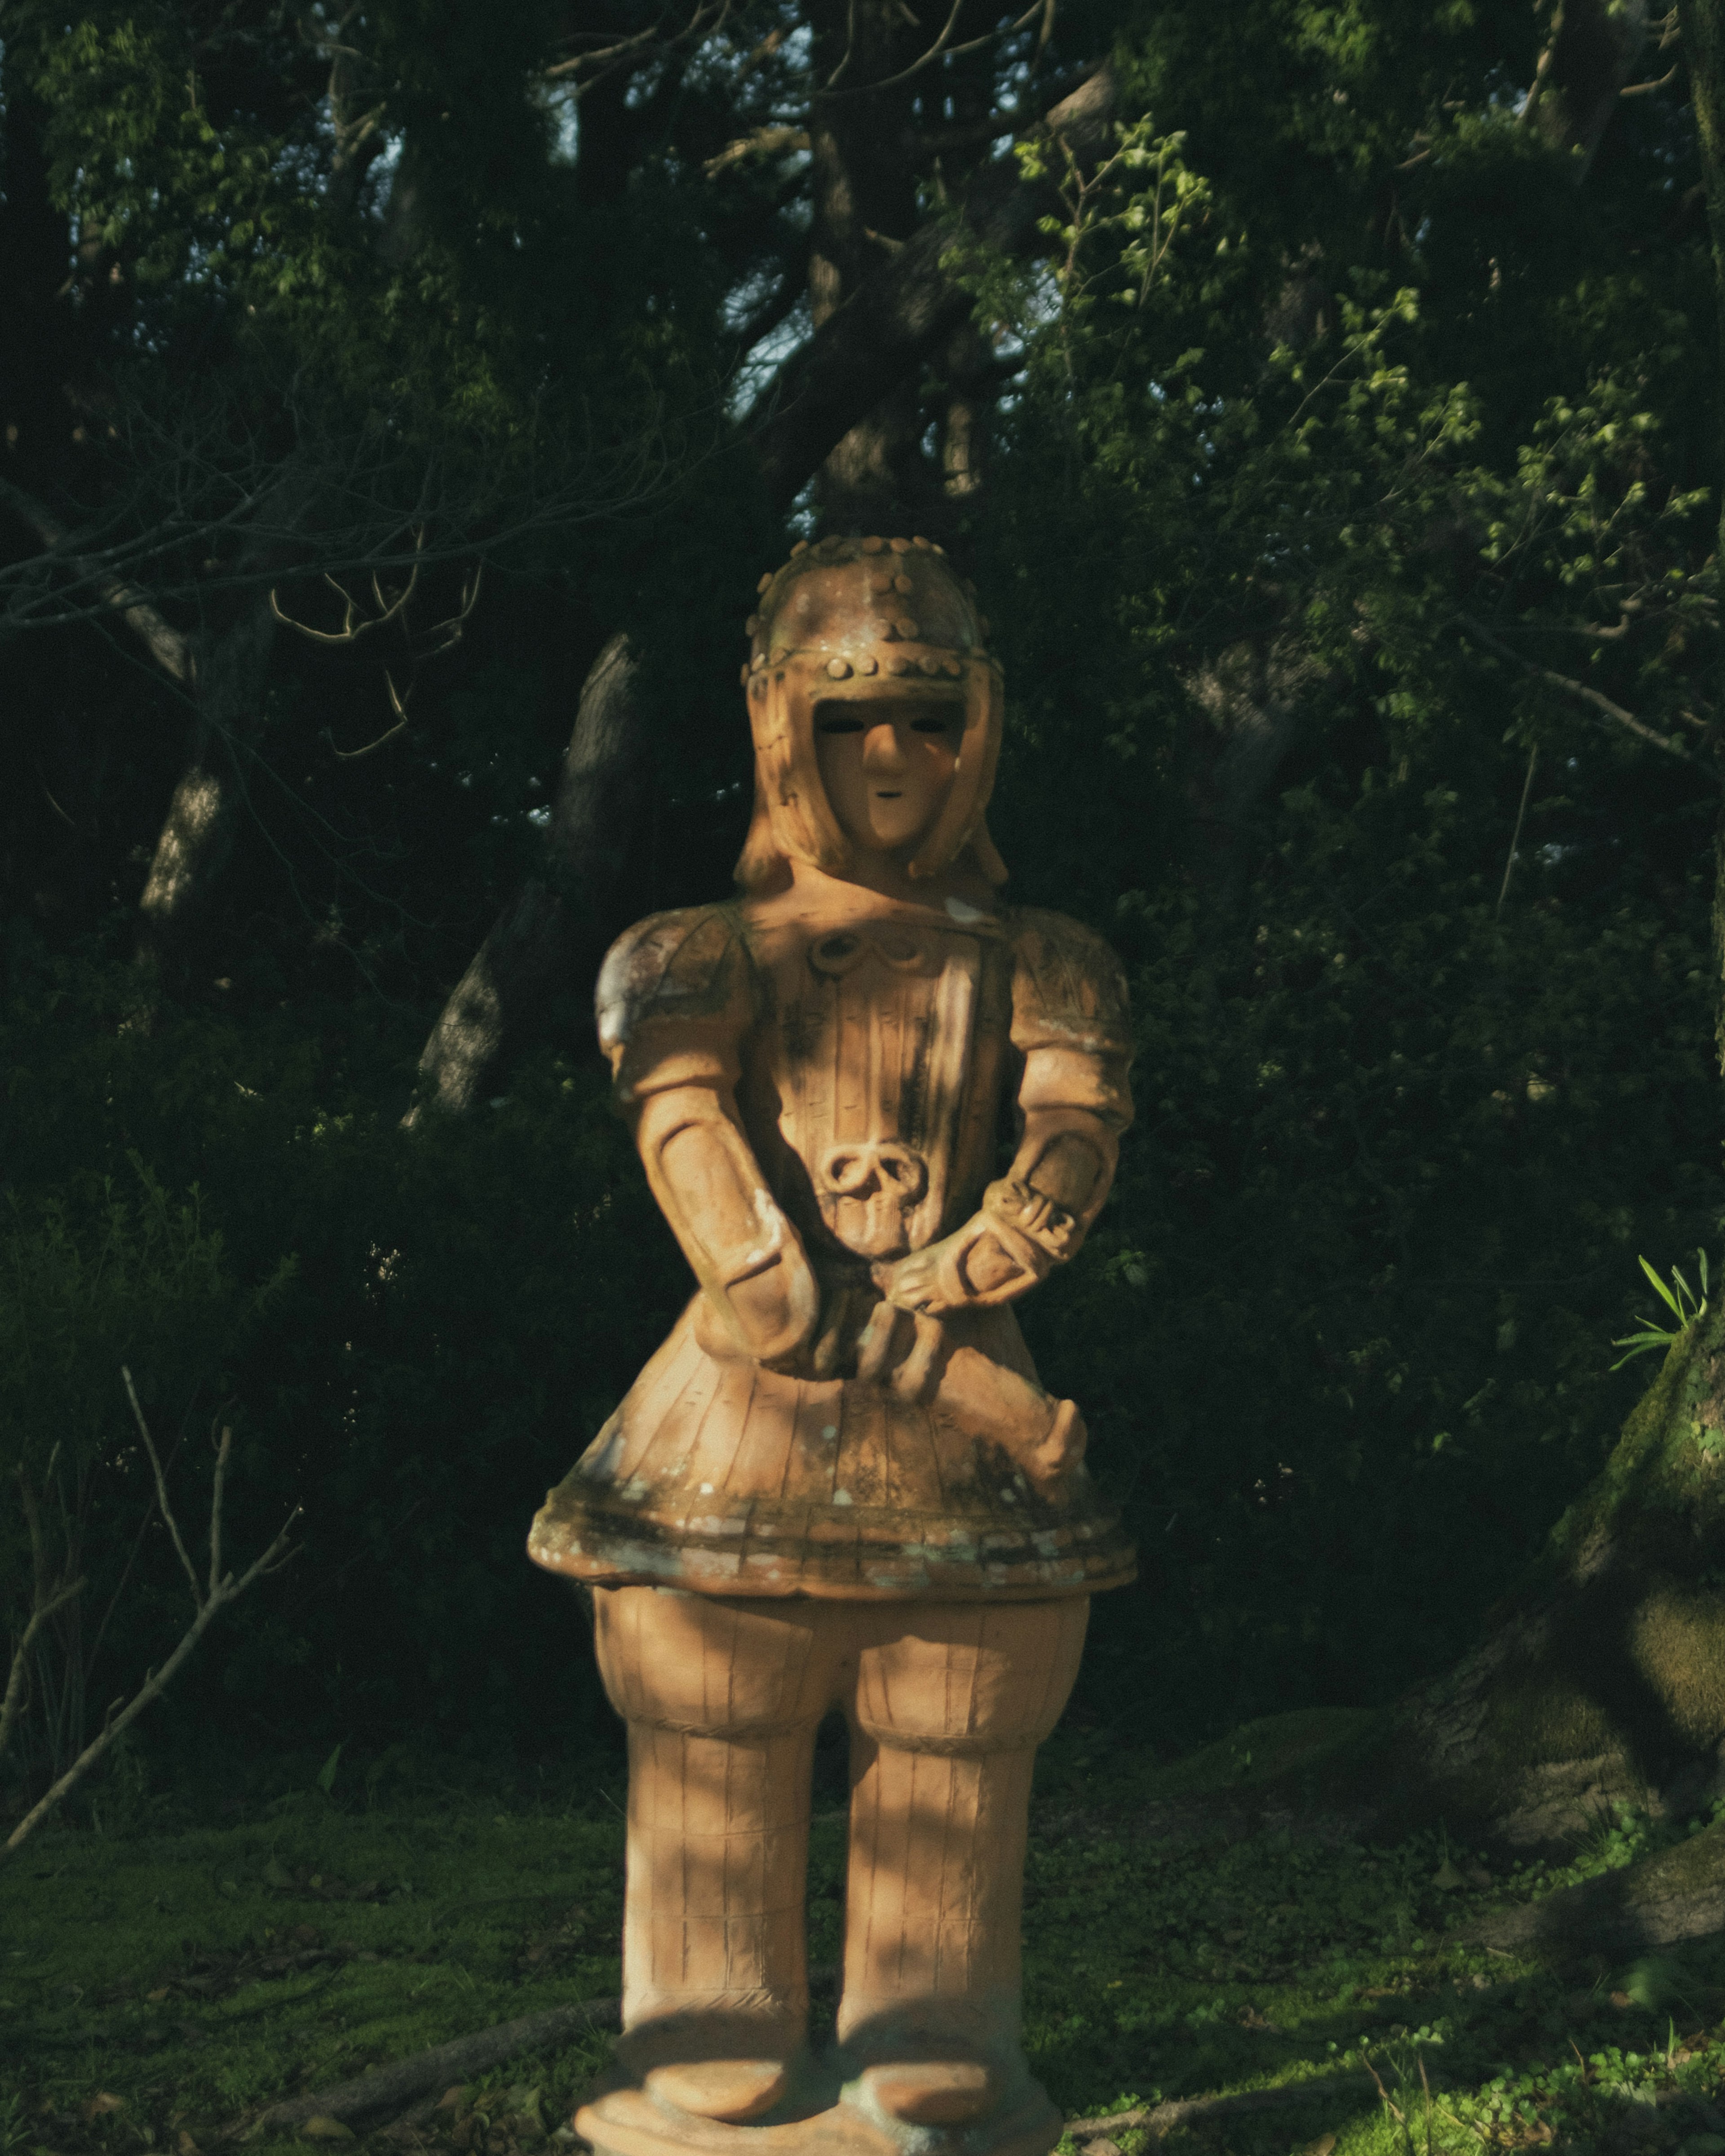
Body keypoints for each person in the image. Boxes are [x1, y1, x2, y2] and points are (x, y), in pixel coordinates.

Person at [529, 533, 1136, 2156]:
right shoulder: (692, 953)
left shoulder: (1048, 959)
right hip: (735, 1412)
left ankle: (932, 2052)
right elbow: (682, 1128)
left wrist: (1008, 1234)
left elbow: (1077, 1126)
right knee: (717, 1711)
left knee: (957, 1719)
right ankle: (708, 2062)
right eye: (853, 718)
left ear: (979, 730)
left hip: (961, 1406)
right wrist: (763, 1273)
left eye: (928, 720)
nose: (891, 757)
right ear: (775, 723)